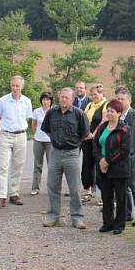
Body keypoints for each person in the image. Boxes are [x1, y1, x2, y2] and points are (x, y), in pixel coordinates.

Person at [40, 87, 90, 229]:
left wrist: (73, 143)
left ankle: (77, 218)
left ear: (72, 99)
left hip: (72, 154)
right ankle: (52, 217)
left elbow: (85, 133)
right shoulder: (51, 113)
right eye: (62, 97)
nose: (63, 99)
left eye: (67, 97)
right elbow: (47, 130)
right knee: (52, 186)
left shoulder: (79, 114)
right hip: (55, 153)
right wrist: (57, 141)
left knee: (74, 188)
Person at [0, 76, 34, 209]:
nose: (14, 88)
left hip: (21, 135)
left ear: (22, 87)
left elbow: (27, 117)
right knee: (3, 166)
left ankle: (14, 193)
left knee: (18, 165)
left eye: (17, 86)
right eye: (13, 85)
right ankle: (1, 196)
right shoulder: (2, 101)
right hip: (5, 135)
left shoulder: (27, 101)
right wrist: (5, 129)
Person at [93, 99, 130, 234]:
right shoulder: (102, 127)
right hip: (103, 167)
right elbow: (95, 145)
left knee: (120, 198)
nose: (109, 113)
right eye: (108, 111)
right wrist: (100, 160)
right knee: (106, 196)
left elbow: (124, 150)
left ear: (119, 113)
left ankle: (119, 224)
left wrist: (107, 161)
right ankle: (107, 223)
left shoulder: (124, 129)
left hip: (119, 168)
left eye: (112, 111)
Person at [116, 86, 135, 226]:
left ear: (129, 100)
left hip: (132, 158)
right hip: (118, 159)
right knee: (124, 188)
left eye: (122, 99)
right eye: (117, 99)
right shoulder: (116, 115)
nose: (119, 101)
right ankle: (127, 214)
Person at [81, 84, 108, 202]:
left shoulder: (105, 105)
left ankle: (103, 194)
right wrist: (85, 133)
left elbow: (103, 121)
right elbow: (84, 119)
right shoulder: (89, 105)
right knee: (86, 164)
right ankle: (88, 190)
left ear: (102, 94)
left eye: (95, 94)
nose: (93, 97)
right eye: (91, 95)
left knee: (99, 165)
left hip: (99, 139)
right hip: (87, 139)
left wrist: (94, 134)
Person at [30, 91, 53, 196]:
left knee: (52, 165)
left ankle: (53, 188)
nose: (46, 101)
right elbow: (34, 125)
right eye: (44, 99)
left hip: (50, 141)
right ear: (41, 100)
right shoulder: (36, 111)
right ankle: (35, 187)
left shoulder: (54, 111)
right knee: (37, 164)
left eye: (48, 99)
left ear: (51, 101)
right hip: (38, 140)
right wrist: (36, 135)